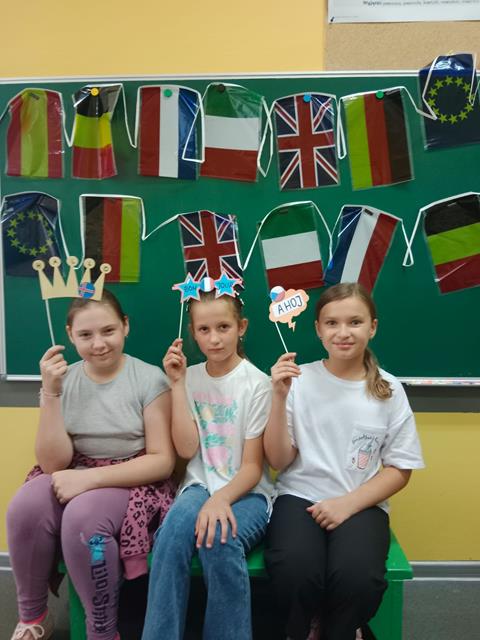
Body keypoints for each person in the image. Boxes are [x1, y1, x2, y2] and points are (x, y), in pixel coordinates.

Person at [7, 290, 176, 640]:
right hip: (73, 469)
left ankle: (102, 630)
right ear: (70, 335)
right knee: (24, 507)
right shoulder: (63, 379)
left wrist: (88, 480)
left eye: (108, 331)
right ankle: (33, 616)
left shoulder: (149, 379)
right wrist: (50, 393)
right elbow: (52, 463)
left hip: (130, 477)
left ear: (125, 326)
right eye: (85, 335)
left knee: (84, 523)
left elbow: (162, 461)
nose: (98, 344)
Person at [263, 282, 424, 640]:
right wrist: (278, 397)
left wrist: (347, 504)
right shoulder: (298, 381)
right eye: (332, 323)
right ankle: (303, 629)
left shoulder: (389, 390)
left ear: (373, 327)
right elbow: (277, 458)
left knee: (358, 577)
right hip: (299, 497)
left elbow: (400, 469)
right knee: (295, 570)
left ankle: (344, 630)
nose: (343, 332)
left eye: (355, 322)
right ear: (318, 329)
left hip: (360, 501)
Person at [141, 289, 274, 640]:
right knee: (170, 538)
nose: (214, 338)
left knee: (219, 538)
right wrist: (177, 384)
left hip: (248, 492)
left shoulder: (258, 385)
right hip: (199, 486)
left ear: (241, 327)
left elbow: (252, 467)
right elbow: (186, 449)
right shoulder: (189, 378)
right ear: (192, 333)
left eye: (223, 327)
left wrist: (221, 500)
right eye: (204, 329)